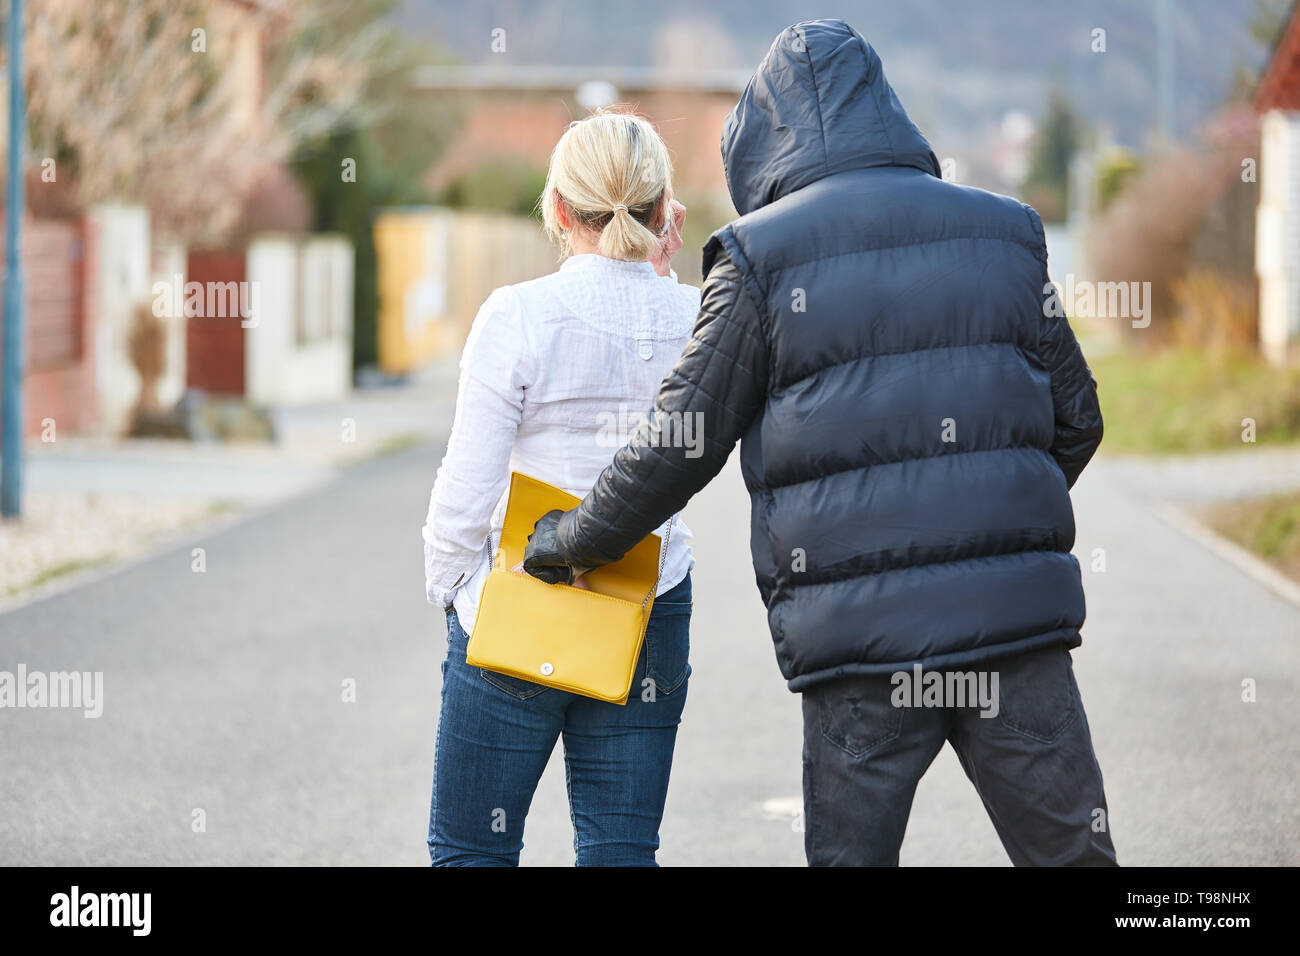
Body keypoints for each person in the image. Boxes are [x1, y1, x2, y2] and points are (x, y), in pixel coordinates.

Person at [523, 20, 1117, 866]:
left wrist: (570, 540)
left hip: (861, 659)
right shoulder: (1006, 232)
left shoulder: (762, 258)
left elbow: (680, 444)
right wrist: (989, 524)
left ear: (762, 141)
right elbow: (1078, 420)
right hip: (1015, 640)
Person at [422, 109, 696, 866]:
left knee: (473, 850)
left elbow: (466, 490)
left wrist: (455, 594)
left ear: (557, 209)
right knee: (620, 850)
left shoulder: (518, 315)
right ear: (664, 210)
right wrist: (662, 279)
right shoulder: (700, 315)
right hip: (648, 601)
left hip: (519, 603)